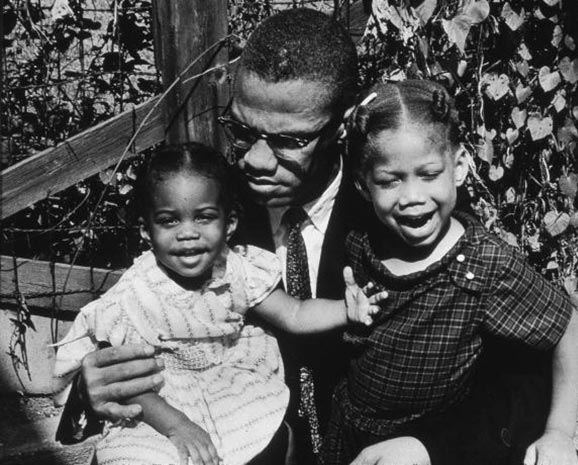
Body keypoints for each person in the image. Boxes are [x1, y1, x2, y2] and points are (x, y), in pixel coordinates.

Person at [55, 8, 371, 465]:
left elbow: (494, 375)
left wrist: (423, 445)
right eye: (243, 131)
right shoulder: (199, 210)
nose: (258, 160)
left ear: (341, 127)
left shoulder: (394, 218)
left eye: (289, 141)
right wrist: (94, 387)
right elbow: (138, 335)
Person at [52, 143, 385, 465]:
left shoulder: (238, 269)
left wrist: (345, 309)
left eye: (204, 217)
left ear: (230, 225)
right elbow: (130, 381)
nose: (187, 233)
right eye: (169, 220)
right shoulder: (138, 293)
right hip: (158, 400)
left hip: (230, 388)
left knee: (260, 440)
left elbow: (294, 313)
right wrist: (177, 426)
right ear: (146, 230)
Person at [318, 79, 578, 465]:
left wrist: (559, 433)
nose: (412, 197)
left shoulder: (483, 263)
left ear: (459, 166)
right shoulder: (362, 241)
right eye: (390, 180)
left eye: (428, 174)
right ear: (363, 185)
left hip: (429, 444)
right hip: (350, 432)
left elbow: (567, 327)